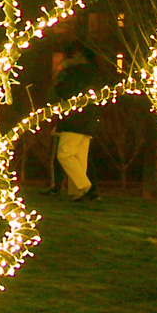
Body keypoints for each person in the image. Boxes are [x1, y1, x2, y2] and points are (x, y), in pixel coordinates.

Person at [51, 40, 101, 202]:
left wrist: (59, 73)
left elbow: (62, 90)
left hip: (74, 118)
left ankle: (82, 186)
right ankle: (77, 190)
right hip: (89, 118)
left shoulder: (74, 71)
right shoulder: (94, 72)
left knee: (65, 153)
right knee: (79, 156)